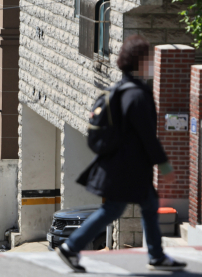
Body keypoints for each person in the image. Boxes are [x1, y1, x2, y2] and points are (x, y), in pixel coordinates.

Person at [56, 35, 186, 273]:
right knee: (115, 209)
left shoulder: (121, 88)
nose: (151, 62)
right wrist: (164, 165)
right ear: (140, 61)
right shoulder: (136, 94)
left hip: (124, 165)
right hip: (128, 167)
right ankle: (71, 247)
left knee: (146, 205)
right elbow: (147, 135)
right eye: (149, 58)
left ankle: (156, 256)